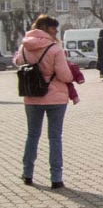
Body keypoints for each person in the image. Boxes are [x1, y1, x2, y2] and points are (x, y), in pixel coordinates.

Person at [15, 15, 74, 189]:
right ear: (45, 27)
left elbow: (18, 62)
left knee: (32, 135)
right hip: (55, 98)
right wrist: (72, 75)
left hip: (32, 97)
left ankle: (27, 174)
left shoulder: (24, 46)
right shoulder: (55, 48)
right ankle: (56, 178)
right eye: (53, 27)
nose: (56, 30)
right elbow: (64, 75)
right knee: (55, 137)